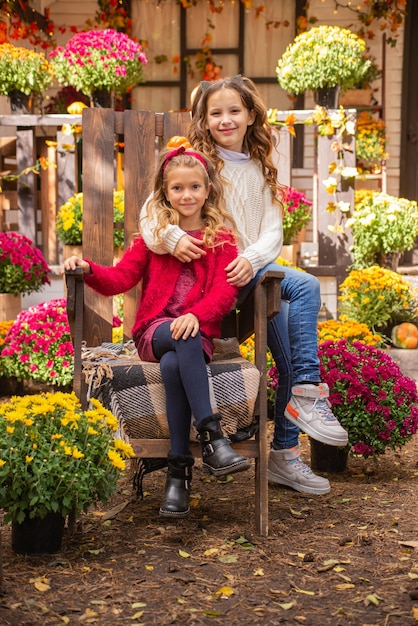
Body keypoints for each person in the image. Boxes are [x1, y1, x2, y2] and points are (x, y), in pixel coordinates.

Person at [140, 75, 348, 496]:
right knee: (306, 286)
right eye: (215, 112)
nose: (225, 119)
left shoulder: (259, 167)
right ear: (205, 118)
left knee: (289, 344)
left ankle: (285, 456)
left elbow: (273, 232)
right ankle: (308, 395)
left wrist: (250, 258)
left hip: (250, 278)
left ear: (251, 114)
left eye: (234, 110)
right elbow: (149, 218)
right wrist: (174, 237)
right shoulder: (194, 162)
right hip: (211, 288)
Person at [63, 146, 250, 520]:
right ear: (165, 193)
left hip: (196, 339)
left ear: (208, 188)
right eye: (177, 189)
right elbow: (120, 279)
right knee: (178, 341)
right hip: (154, 332)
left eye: (194, 187)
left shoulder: (222, 239)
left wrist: (196, 316)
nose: (186, 195)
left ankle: (178, 473)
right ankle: (213, 436)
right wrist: (87, 268)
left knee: (173, 366)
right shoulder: (155, 239)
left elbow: (225, 293)